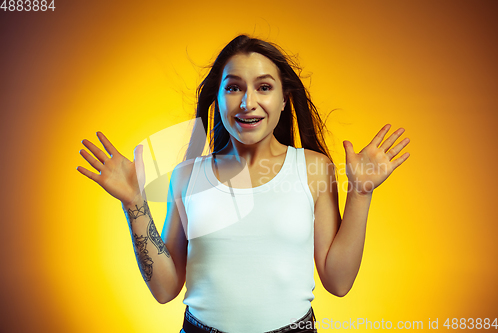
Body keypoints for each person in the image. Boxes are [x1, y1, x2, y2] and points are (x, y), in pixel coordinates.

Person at [77, 35, 410, 333]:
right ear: (218, 98)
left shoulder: (313, 169)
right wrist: (134, 201)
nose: (247, 102)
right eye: (233, 87)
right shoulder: (187, 175)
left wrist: (361, 193)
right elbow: (165, 290)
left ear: (284, 99)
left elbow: (338, 282)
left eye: (263, 87)